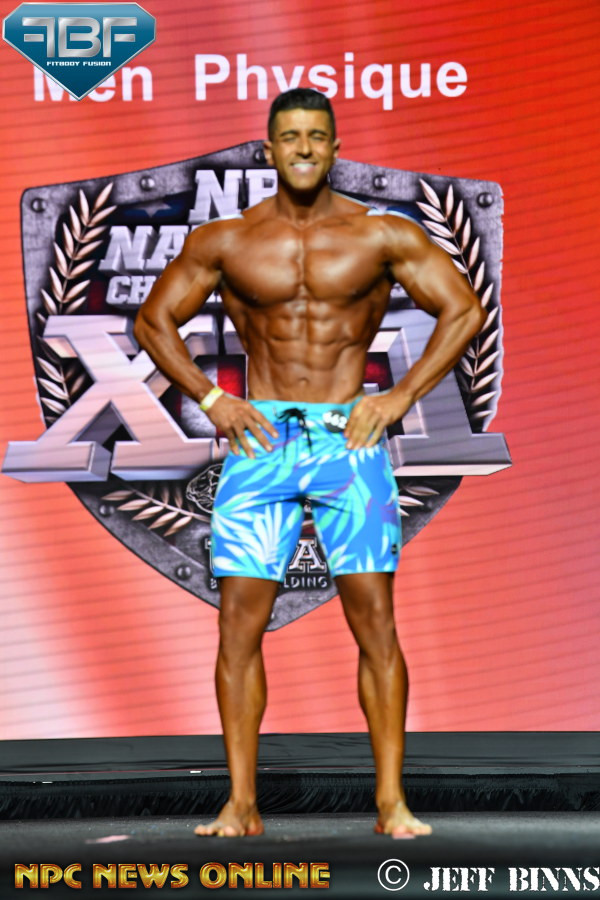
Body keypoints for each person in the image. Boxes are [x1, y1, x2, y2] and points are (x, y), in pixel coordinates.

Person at [134, 88, 485, 839]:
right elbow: (153, 320)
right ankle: (241, 804)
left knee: (376, 621)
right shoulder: (226, 240)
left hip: (347, 443)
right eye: (289, 136)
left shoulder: (381, 233)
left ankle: (391, 803)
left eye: (316, 136)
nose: (302, 148)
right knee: (238, 626)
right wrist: (211, 398)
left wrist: (399, 398)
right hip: (262, 445)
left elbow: (463, 309)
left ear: (334, 148)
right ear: (269, 150)